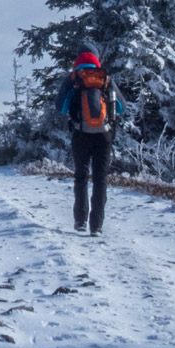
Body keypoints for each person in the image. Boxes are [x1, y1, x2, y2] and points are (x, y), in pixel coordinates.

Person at [56, 46, 123, 233]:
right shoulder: (105, 78)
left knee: (81, 176)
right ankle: (97, 226)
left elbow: (60, 108)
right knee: (101, 179)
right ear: (96, 57)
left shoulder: (73, 79)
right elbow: (121, 107)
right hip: (104, 135)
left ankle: (80, 221)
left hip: (81, 133)